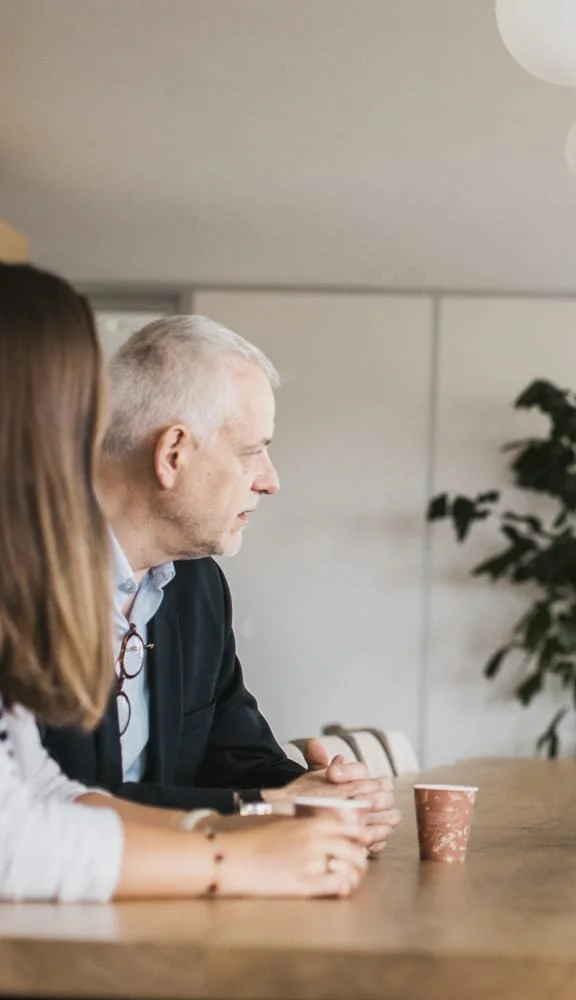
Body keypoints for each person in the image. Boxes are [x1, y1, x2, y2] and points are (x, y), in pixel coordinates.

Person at [0, 257, 369, 907]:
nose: (90, 441)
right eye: (76, 410)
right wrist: (225, 857)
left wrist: (234, 828)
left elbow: (41, 790)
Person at [41, 316, 400, 849]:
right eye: (253, 450)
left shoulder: (198, 588)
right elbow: (55, 803)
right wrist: (254, 810)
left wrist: (311, 798)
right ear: (173, 454)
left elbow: (233, 754)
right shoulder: (18, 584)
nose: (271, 481)